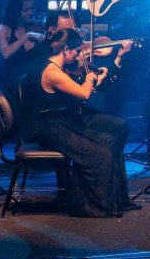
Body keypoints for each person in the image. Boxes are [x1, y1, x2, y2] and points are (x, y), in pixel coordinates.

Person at [20, 28, 138, 217]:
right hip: (53, 126)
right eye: (76, 51)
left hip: (65, 119)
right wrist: (91, 78)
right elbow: (83, 93)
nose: (78, 55)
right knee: (103, 150)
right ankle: (92, 205)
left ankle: (115, 197)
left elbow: (80, 88)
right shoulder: (52, 72)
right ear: (66, 50)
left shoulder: (60, 67)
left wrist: (99, 74)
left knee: (114, 134)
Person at [0, 0, 45, 85]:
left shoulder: (37, 26)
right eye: (25, 10)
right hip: (15, 82)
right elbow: (6, 53)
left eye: (32, 9)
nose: (31, 13)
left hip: (36, 79)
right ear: (15, 10)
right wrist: (27, 36)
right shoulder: (4, 29)